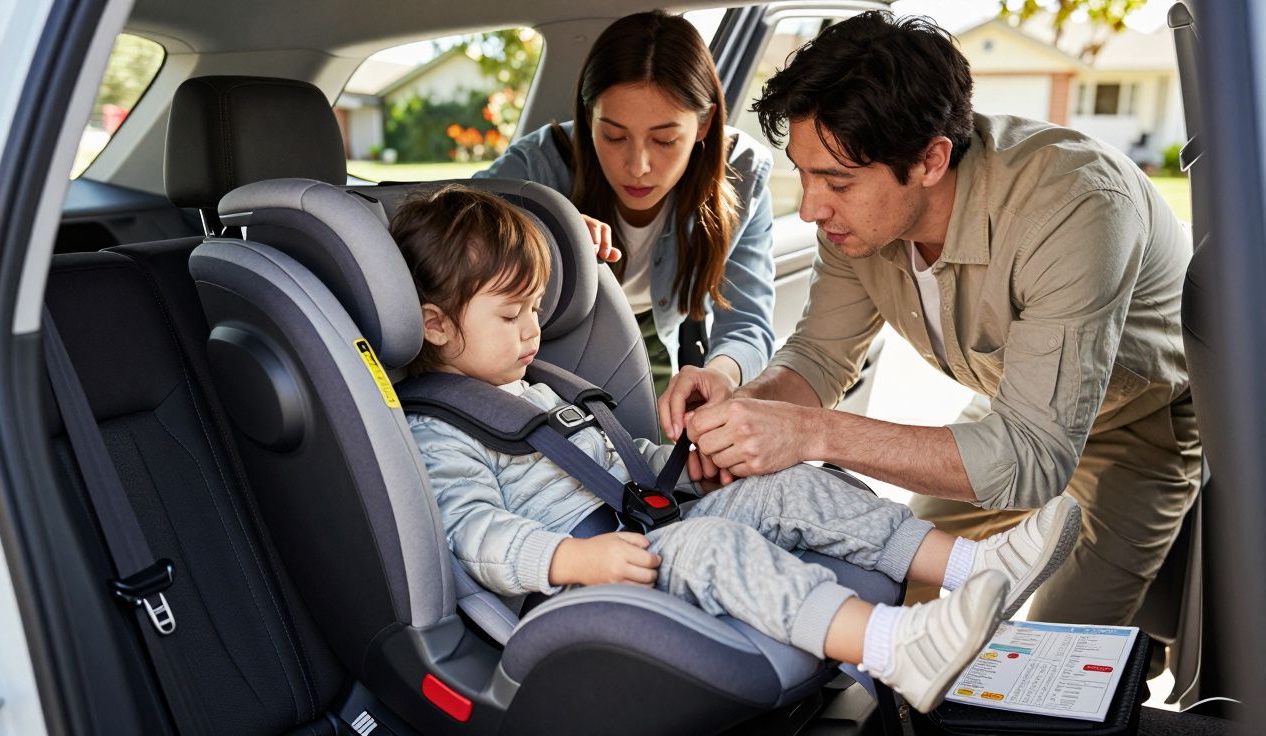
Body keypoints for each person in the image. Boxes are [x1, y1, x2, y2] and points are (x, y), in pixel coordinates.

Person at [389, 184, 1083, 713]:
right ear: (436, 325)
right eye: (511, 315)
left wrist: (674, 467)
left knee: (787, 484)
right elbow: (474, 533)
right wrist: (574, 558)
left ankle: (969, 562)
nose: (533, 330)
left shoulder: (532, 386)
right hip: (581, 584)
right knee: (713, 548)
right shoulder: (436, 432)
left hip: (645, 529)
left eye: (537, 308)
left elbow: (601, 459)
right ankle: (895, 646)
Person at [661, 11, 1200, 630]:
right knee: (899, 570)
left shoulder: (1076, 206)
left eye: (836, 181)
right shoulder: (856, 223)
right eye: (805, 175)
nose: (811, 207)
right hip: (1016, 408)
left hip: (1139, 425)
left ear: (931, 159)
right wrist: (740, 412)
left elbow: (1032, 458)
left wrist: (811, 433)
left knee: (1063, 644)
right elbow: (818, 357)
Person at [475, 10, 775, 399]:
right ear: (588, 117)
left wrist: (720, 374)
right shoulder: (539, 162)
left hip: (658, 340)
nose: (638, 167)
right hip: (544, 347)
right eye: (614, 136)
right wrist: (544, 232)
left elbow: (747, 323)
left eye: (665, 140)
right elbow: (442, 225)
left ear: (703, 124)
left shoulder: (742, 173)